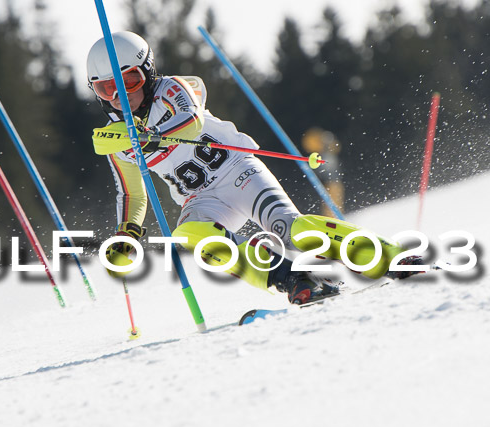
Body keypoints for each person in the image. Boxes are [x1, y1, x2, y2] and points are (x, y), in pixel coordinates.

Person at [87, 31, 410, 305]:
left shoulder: (170, 90)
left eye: (129, 81)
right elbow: (132, 193)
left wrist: (153, 137)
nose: (118, 96)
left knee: (290, 228)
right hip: (202, 199)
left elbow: (191, 121)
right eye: (105, 88)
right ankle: (292, 278)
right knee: (188, 235)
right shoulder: (117, 141)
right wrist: (126, 233)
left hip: (238, 173)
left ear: (148, 71)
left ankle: (392, 258)